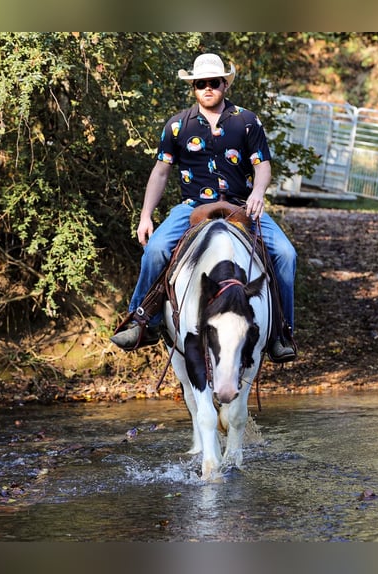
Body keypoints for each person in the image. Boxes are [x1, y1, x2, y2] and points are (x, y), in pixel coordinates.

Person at [110, 53, 297, 363]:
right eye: (201, 84)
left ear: (225, 84)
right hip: (192, 206)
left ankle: (281, 332)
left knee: (287, 255)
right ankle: (143, 320)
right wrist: (145, 215)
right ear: (193, 87)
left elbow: (262, 165)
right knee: (155, 250)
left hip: (241, 205)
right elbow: (160, 172)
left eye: (214, 83)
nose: (207, 88)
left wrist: (259, 193)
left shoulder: (247, 121)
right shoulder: (176, 126)